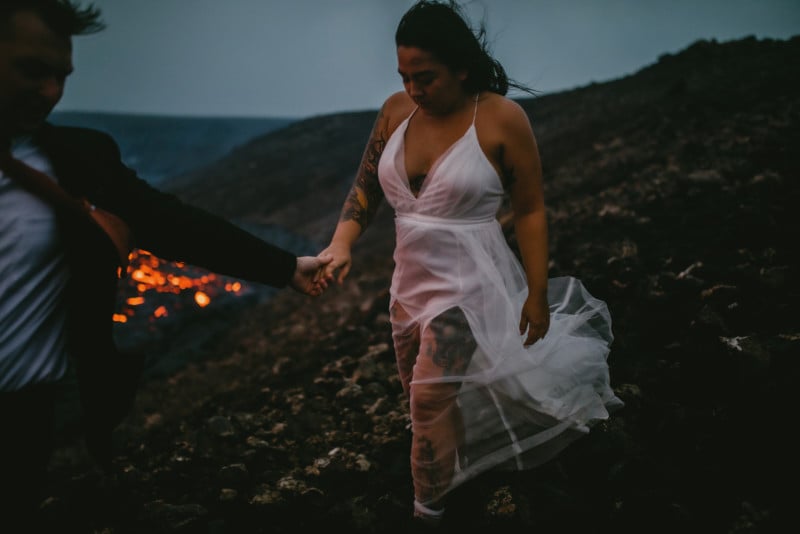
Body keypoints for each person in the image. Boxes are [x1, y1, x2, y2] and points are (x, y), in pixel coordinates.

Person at [0, 0, 330, 521]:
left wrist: (287, 267)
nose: (50, 92)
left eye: (61, 75)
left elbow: (173, 224)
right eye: (30, 70)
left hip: (24, 420)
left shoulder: (79, 159)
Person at [319, 0, 623, 528]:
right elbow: (365, 185)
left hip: (468, 287)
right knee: (425, 402)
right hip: (407, 288)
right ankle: (453, 480)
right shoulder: (396, 111)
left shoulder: (502, 119)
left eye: (426, 77)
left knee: (428, 406)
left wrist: (534, 293)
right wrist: (340, 244)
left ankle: (427, 513)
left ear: (461, 66)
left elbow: (529, 210)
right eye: (404, 76)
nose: (414, 89)